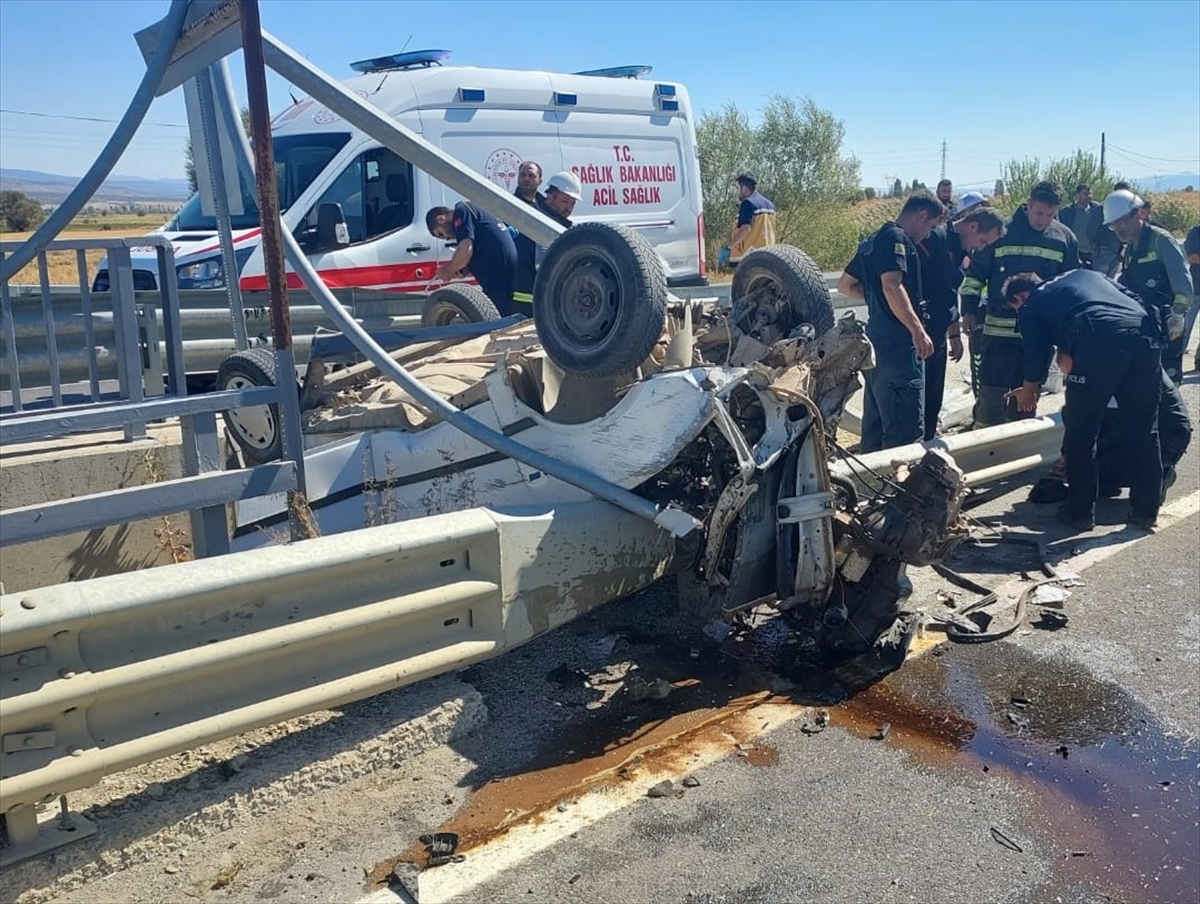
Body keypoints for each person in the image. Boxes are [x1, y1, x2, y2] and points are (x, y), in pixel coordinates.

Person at [1004, 269, 1163, 531]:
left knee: (1082, 431)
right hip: (1144, 334)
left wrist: (1029, 389)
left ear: (1020, 296)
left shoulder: (1032, 304)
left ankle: (1078, 513)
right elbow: (1135, 299)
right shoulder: (1085, 275)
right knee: (1145, 429)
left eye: (1016, 306)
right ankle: (1146, 512)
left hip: (1099, 339)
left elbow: (1036, 351)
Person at [959, 180, 1079, 428]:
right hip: (997, 335)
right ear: (1028, 204)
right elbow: (975, 275)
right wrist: (968, 310)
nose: (1042, 220)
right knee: (990, 399)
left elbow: (1069, 286)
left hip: (1037, 337)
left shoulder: (1065, 239)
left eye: (1049, 214)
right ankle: (984, 453)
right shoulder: (1002, 232)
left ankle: (1017, 456)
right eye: (1038, 212)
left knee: (1026, 398)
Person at [838, 192, 946, 452]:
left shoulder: (871, 241)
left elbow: (845, 285)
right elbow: (892, 286)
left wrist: (878, 300)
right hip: (899, 347)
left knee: (876, 424)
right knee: (904, 431)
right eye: (930, 226)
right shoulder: (897, 239)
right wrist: (917, 331)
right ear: (921, 215)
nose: (929, 235)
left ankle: (874, 487)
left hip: (877, 345)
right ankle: (902, 490)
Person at [917, 206, 1006, 440]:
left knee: (933, 399)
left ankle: (927, 443)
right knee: (915, 401)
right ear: (973, 226)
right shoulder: (935, 238)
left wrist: (954, 335)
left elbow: (948, 294)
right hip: (918, 334)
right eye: (983, 240)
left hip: (937, 334)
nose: (982, 247)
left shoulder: (959, 249)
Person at [1103, 188, 1193, 382]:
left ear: (1138, 214)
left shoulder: (1161, 240)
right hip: (1143, 326)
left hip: (1168, 325)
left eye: (1121, 221)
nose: (1119, 228)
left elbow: (1183, 284)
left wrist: (1177, 315)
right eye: (1113, 224)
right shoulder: (1129, 249)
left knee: (1168, 384)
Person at [426, 202, 519, 316]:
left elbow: (466, 248)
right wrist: (464, 268)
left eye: (441, 234)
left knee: (498, 323)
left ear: (441, 218)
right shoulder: (471, 215)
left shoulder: (462, 210)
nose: (447, 238)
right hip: (499, 277)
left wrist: (448, 270)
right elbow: (481, 245)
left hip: (498, 278)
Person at [512, 171, 579, 309]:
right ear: (549, 197)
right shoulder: (542, 225)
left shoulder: (552, 223)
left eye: (572, 203)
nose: (569, 208)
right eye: (565, 201)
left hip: (538, 299)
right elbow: (544, 266)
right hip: (530, 301)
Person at [718, 173, 777, 270]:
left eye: (737, 188)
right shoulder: (770, 205)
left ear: (744, 188)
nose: (737, 192)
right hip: (770, 253)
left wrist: (729, 247)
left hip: (750, 256)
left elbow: (745, 229)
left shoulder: (748, 203)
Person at [1057, 184, 1104, 269]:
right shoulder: (1067, 212)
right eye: (1085, 194)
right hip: (1075, 252)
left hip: (1092, 253)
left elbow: (1103, 227)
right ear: (1077, 195)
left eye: (1090, 194)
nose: (1089, 196)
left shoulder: (1097, 210)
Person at [1184, 223, 1200, 371]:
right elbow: (1193, 257)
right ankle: (1173, 358)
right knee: (1185, 326)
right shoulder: (1196, 232)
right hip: (1196, 288)